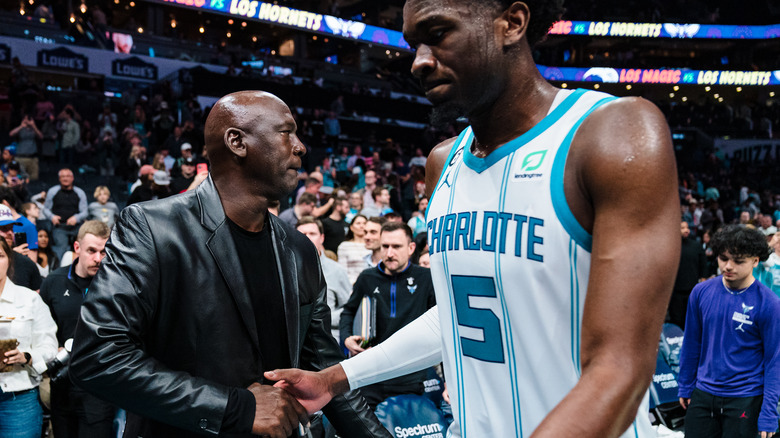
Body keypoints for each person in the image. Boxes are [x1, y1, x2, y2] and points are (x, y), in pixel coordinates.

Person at [264, 1, 680, 437]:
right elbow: (454, 316)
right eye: (414, 43)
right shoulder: (442, 162)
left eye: (438, 33)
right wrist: (335, 378)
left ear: (512, 23)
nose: (420, 61)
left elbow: (621, 366)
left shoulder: (612, 132)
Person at [68, 91, 390, 438]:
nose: (300, 147)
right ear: (237, 142)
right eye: (286, 132)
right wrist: (235, 408)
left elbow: (323, 369)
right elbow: (98, 356)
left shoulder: (299, 248)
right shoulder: (153, 227)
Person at [677, 225, 780, 438]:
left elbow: (775, 361)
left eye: (738, 261)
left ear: (755, 261)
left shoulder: (769, 304)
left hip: (746, 398)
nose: (728, 266)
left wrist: (769, 413)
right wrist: (685, 385)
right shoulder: (701, 292)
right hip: (703, 394)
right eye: (723, 258)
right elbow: (691, 343)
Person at [339, 222, 436, 409]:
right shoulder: (367, 277)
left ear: (411, 248)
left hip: (411, 374)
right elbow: (348, 312)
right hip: (372, 373)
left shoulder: (427, 278)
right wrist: (346, 339)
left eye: (396, 247)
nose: (389, 253)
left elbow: (441, 323)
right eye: (385, 246)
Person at [39, 220, 113, 437]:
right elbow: (41, 330)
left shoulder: (116, 283)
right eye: (92, 251)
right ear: (77, 247)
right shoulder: (53, 282)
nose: (98, 258)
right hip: (62, 383)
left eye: (103, 251)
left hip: (99, 386)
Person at [0, 238, 58, 438]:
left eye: (0, 256)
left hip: (18, 398)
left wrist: (27, 356)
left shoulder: (29, 299)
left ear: (9, 260)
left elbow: (50, 347)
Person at [296, 216, 351, 341]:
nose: (307, 237)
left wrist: (319, 318)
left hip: (328, 339)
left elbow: (349, 309)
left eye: (312, 233)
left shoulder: (337, 271)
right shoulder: (284, 270)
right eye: (302, 234)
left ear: (322, 238)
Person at [42, 168, 88, 258]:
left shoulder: (80, 192)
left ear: (72, 178)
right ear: (59, 179)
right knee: (61, 250)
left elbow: (85, 212)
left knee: (82, 248)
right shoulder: (53, 191)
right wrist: (52, 217)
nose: (65, 179)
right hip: (60, 227)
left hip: (76, 227)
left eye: (67, 176)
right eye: (63, 176)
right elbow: (45, 209)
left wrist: (76, 218)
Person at [669, 220, 707, 329]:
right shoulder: (671, 247)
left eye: (687, 227)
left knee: (692, 319)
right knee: (676, 319)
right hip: (676, 291)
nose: (686, 230)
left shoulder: (696, 246)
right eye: (682, 228)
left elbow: (703, 266)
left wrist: (703, 284)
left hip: (692, 289)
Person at [0, 205, 42, 291]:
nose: (10, 233)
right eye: (4, 228)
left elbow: (36, 295)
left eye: (11, 228)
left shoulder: (26, 263)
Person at [338, 214, 371, 284]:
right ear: (351, 227)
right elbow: (342, 270)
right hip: (350, 284)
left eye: (364, 223)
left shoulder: (372, 245)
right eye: (358, 223)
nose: (362, 226)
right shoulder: (344, 246)